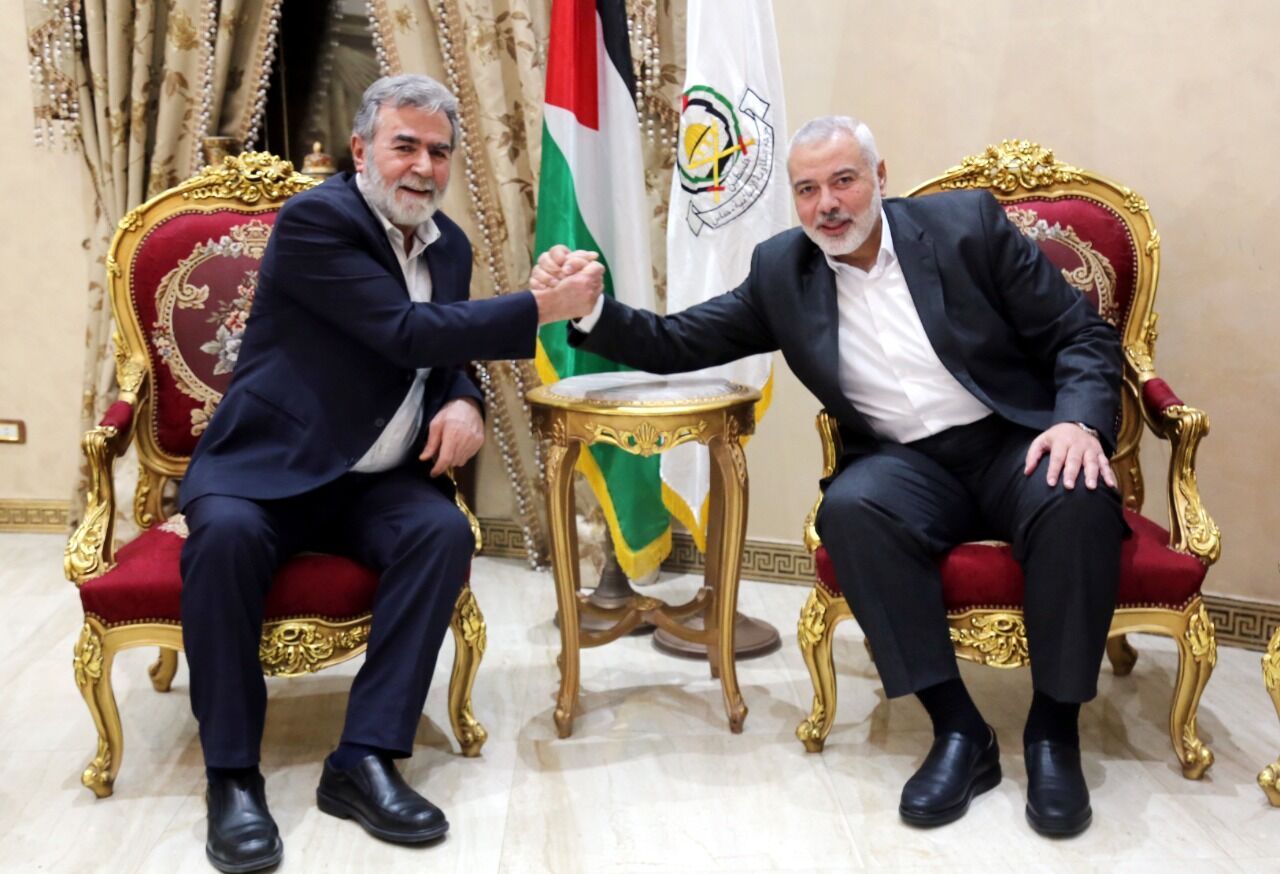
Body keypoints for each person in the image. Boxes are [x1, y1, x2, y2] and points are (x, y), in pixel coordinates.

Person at [534, 115, 1126, 837]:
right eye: (807, 190)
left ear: (880, 178)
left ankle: (1053, 733)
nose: (827, 205)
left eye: (844, 181)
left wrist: (1078, 422)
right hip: (909, 465)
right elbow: (676, 340)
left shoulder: (964, 227)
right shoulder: (783, 271)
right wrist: (591, 312)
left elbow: (1079, 334)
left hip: (1011, 442)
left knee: (1077, 494)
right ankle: (958, 730)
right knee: (851, 507)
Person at [178, 74, 602, 873]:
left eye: (439, 152)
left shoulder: (449, 245)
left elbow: (440, 353)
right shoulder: (317, 220)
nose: (423, 167)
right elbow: (403, 331)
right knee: (225, 539)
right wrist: (542, 308)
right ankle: (231, 776)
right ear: (361, 149)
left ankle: (364, 758)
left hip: (373, 480)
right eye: (405, 145)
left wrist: (464, 399)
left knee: (440, 534)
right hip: (268, 467)